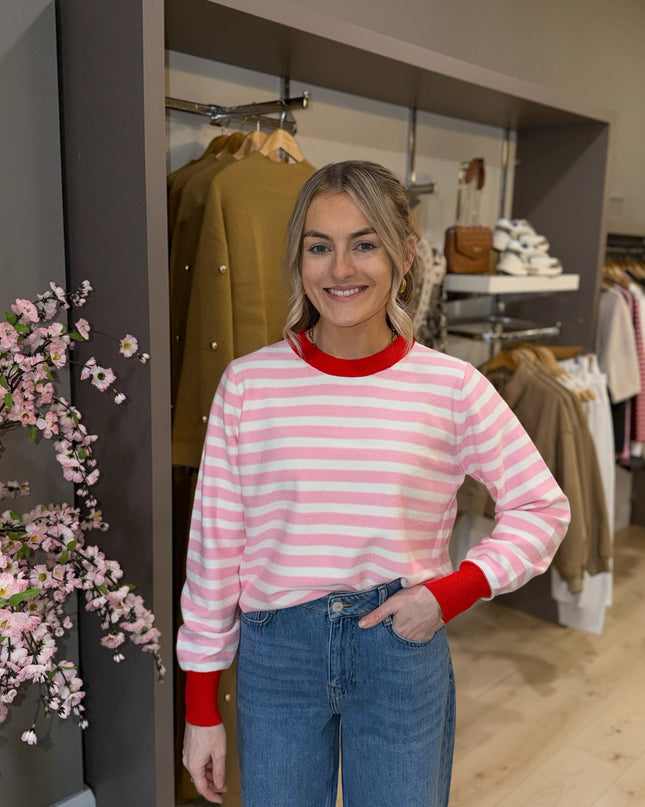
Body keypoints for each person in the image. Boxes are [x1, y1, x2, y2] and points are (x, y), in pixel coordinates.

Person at [177, 160, 571, 806]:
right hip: (279, 658)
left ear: (403, 255)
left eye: (364, 244)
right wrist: (200, 705)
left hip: (399, 647)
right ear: (297, 258)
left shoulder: (451, 388)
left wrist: (450, 593)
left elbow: (541, 506)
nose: (340, 270)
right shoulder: (248, 386)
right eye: (318, 246)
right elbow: (214, 552)